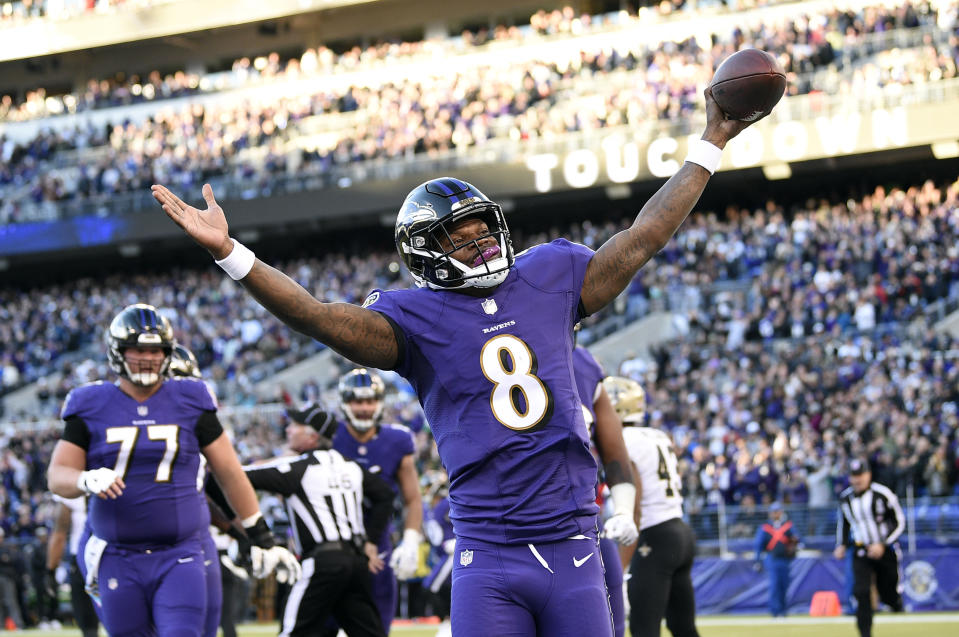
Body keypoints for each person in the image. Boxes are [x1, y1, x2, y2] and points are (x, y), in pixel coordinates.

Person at [152, 90, 752, 636]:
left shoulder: (549, 275)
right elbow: (315, 315)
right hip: (490, 554)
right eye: (461, 239)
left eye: (484, 231)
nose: (483, 244)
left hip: (572, 540)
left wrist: (711, 143)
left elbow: (644, 237)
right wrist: (232, 254)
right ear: (426, 254)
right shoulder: (414, 320)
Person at [47, 303, 299, 637]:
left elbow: (229, 473)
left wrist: (260, 534)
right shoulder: (90, 403)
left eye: (157, 350)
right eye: (138, 349)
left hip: (179, 552)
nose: (148, 358)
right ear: (117, 351)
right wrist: (85, 478)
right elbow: (57, 475)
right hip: (117, 554)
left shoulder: (190, 397)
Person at [242, 404, 395, 637]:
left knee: (293, 631)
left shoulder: (299, 468)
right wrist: (371, 540)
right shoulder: (351, 466)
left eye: (295, 426)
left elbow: (238, 477)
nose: (289, 430)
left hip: (323, 561)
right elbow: (385, 495)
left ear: (312, 436)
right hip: (356, 561)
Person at [603, 376, 701, 637]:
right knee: (683, 627)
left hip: (653, 537)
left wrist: (621, 571)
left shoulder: (623, 440)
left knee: (644, 629)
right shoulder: (657, 435)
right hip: (679, 531)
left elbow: (634, 508)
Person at [330, 368, 424, 634]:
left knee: (376, 628)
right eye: (357, 401)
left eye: (369, 400)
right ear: (344, 402)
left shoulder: (397, 439)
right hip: (332, 546)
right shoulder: (328, 436)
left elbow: (413, 498)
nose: (364, 408)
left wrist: (411, 540)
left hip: (378, 547)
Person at [572, 344, 637, 637]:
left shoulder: (582, 363)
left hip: (583, 520)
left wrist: (624, 509)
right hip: (508, 526)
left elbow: (616, 456)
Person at [833, 458, 905, 637]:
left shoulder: (883, 494)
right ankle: (865, 633)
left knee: (888, 592)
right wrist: (841, 544)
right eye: (854, 476)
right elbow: (844, 524)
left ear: (869, 475)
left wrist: (883, 543)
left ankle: (894, 602)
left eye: (861, 475)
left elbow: (900, 522)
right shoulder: (845, 498)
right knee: (861, 591)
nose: (857, 480)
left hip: (885, 550)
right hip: (860, 549)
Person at [46, 496, 97, 637]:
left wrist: (50, 570)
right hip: (114, 555)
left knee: (88, 623)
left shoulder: (72, 497)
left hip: (83, 560)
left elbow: (59, 535)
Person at [753, 501, 798, 617]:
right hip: (772, 558)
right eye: (774, 512)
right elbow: (758, 545)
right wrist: (757, 560)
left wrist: (795, 541)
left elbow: (797, 538)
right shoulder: (765, 527)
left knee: (784, 584)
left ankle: (783, 610)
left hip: (785, 559)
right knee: (774, 585)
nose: (776, 514)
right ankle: (775, 610)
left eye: (778, 511)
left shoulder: (788, 525)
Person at [422, 476, 454, 637]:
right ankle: (448, 621)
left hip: (453, 553)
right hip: (444, 553)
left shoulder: (447, 504)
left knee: (432, 586)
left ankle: (447, 621)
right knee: (436, 586)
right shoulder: (436, 508)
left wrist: (458, 540)